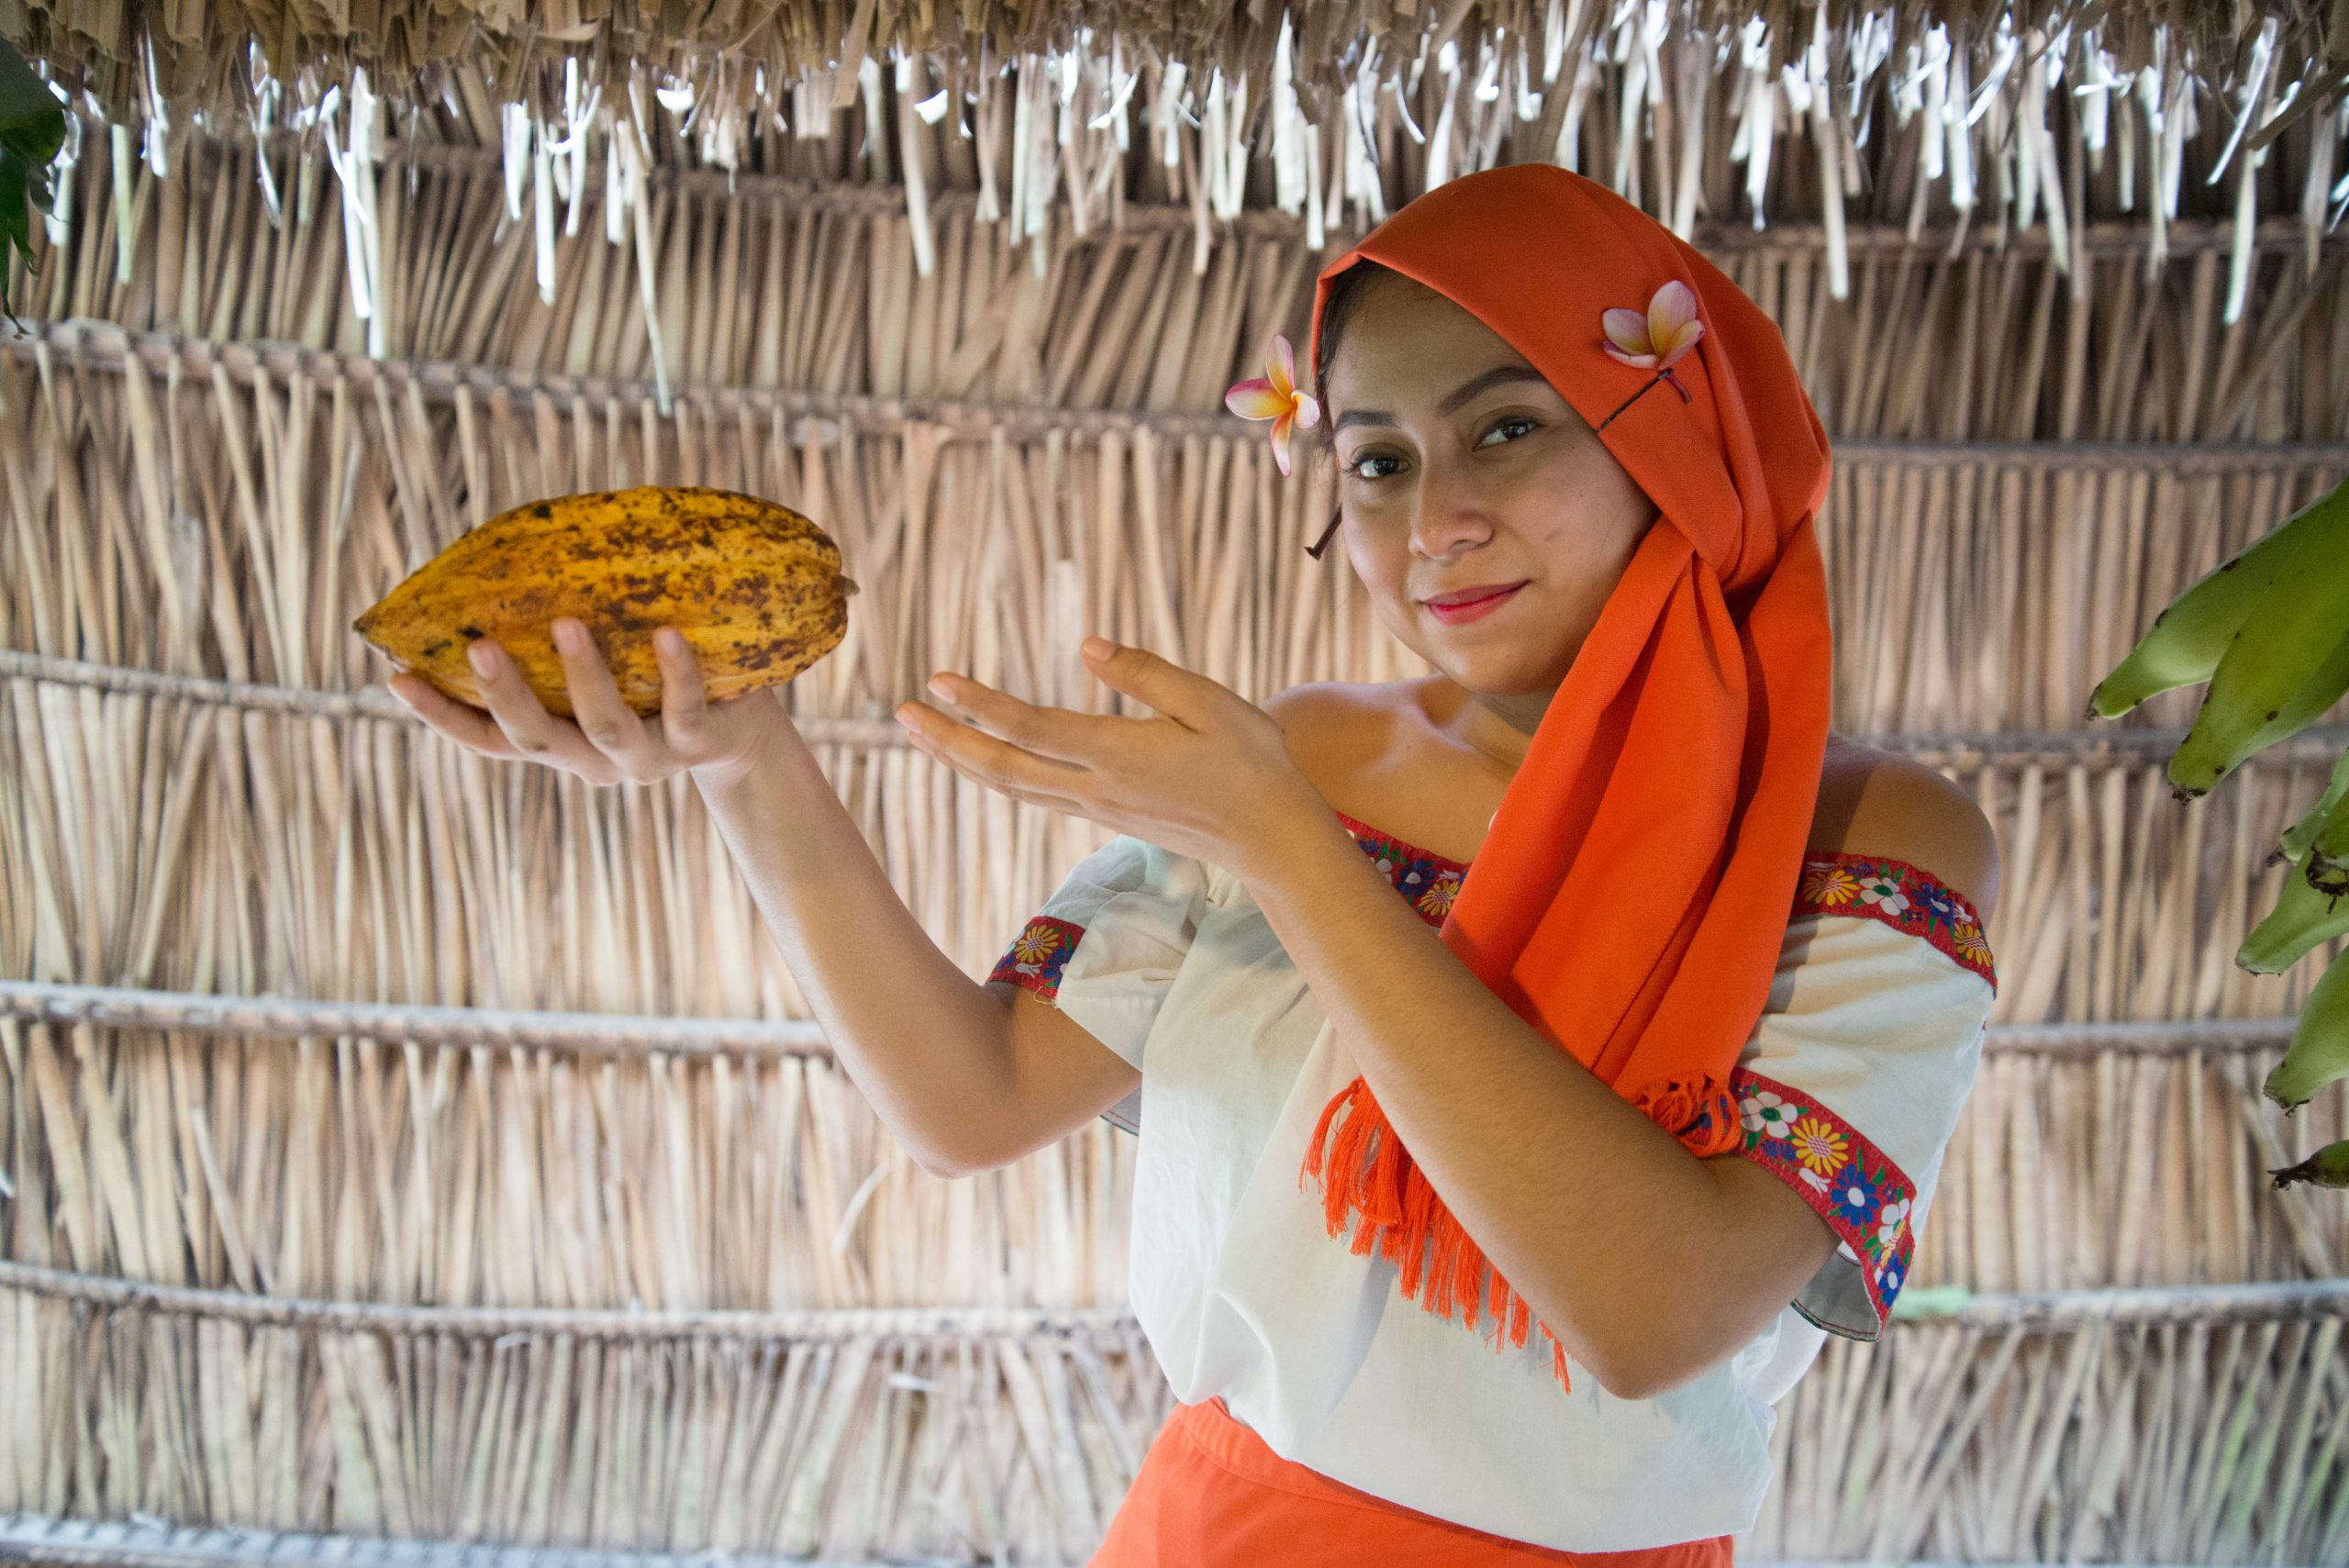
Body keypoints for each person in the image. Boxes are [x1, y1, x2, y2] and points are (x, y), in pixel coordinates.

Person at [389, 162, 2000, 1565]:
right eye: (1375, 459)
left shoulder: (1869, 842)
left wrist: (1293, 854)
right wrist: (751, 762)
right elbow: (971, 1100)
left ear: (1682, 435)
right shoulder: (1298, 758)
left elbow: (1653, 1314)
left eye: (1506, 428)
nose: (1432, 520)